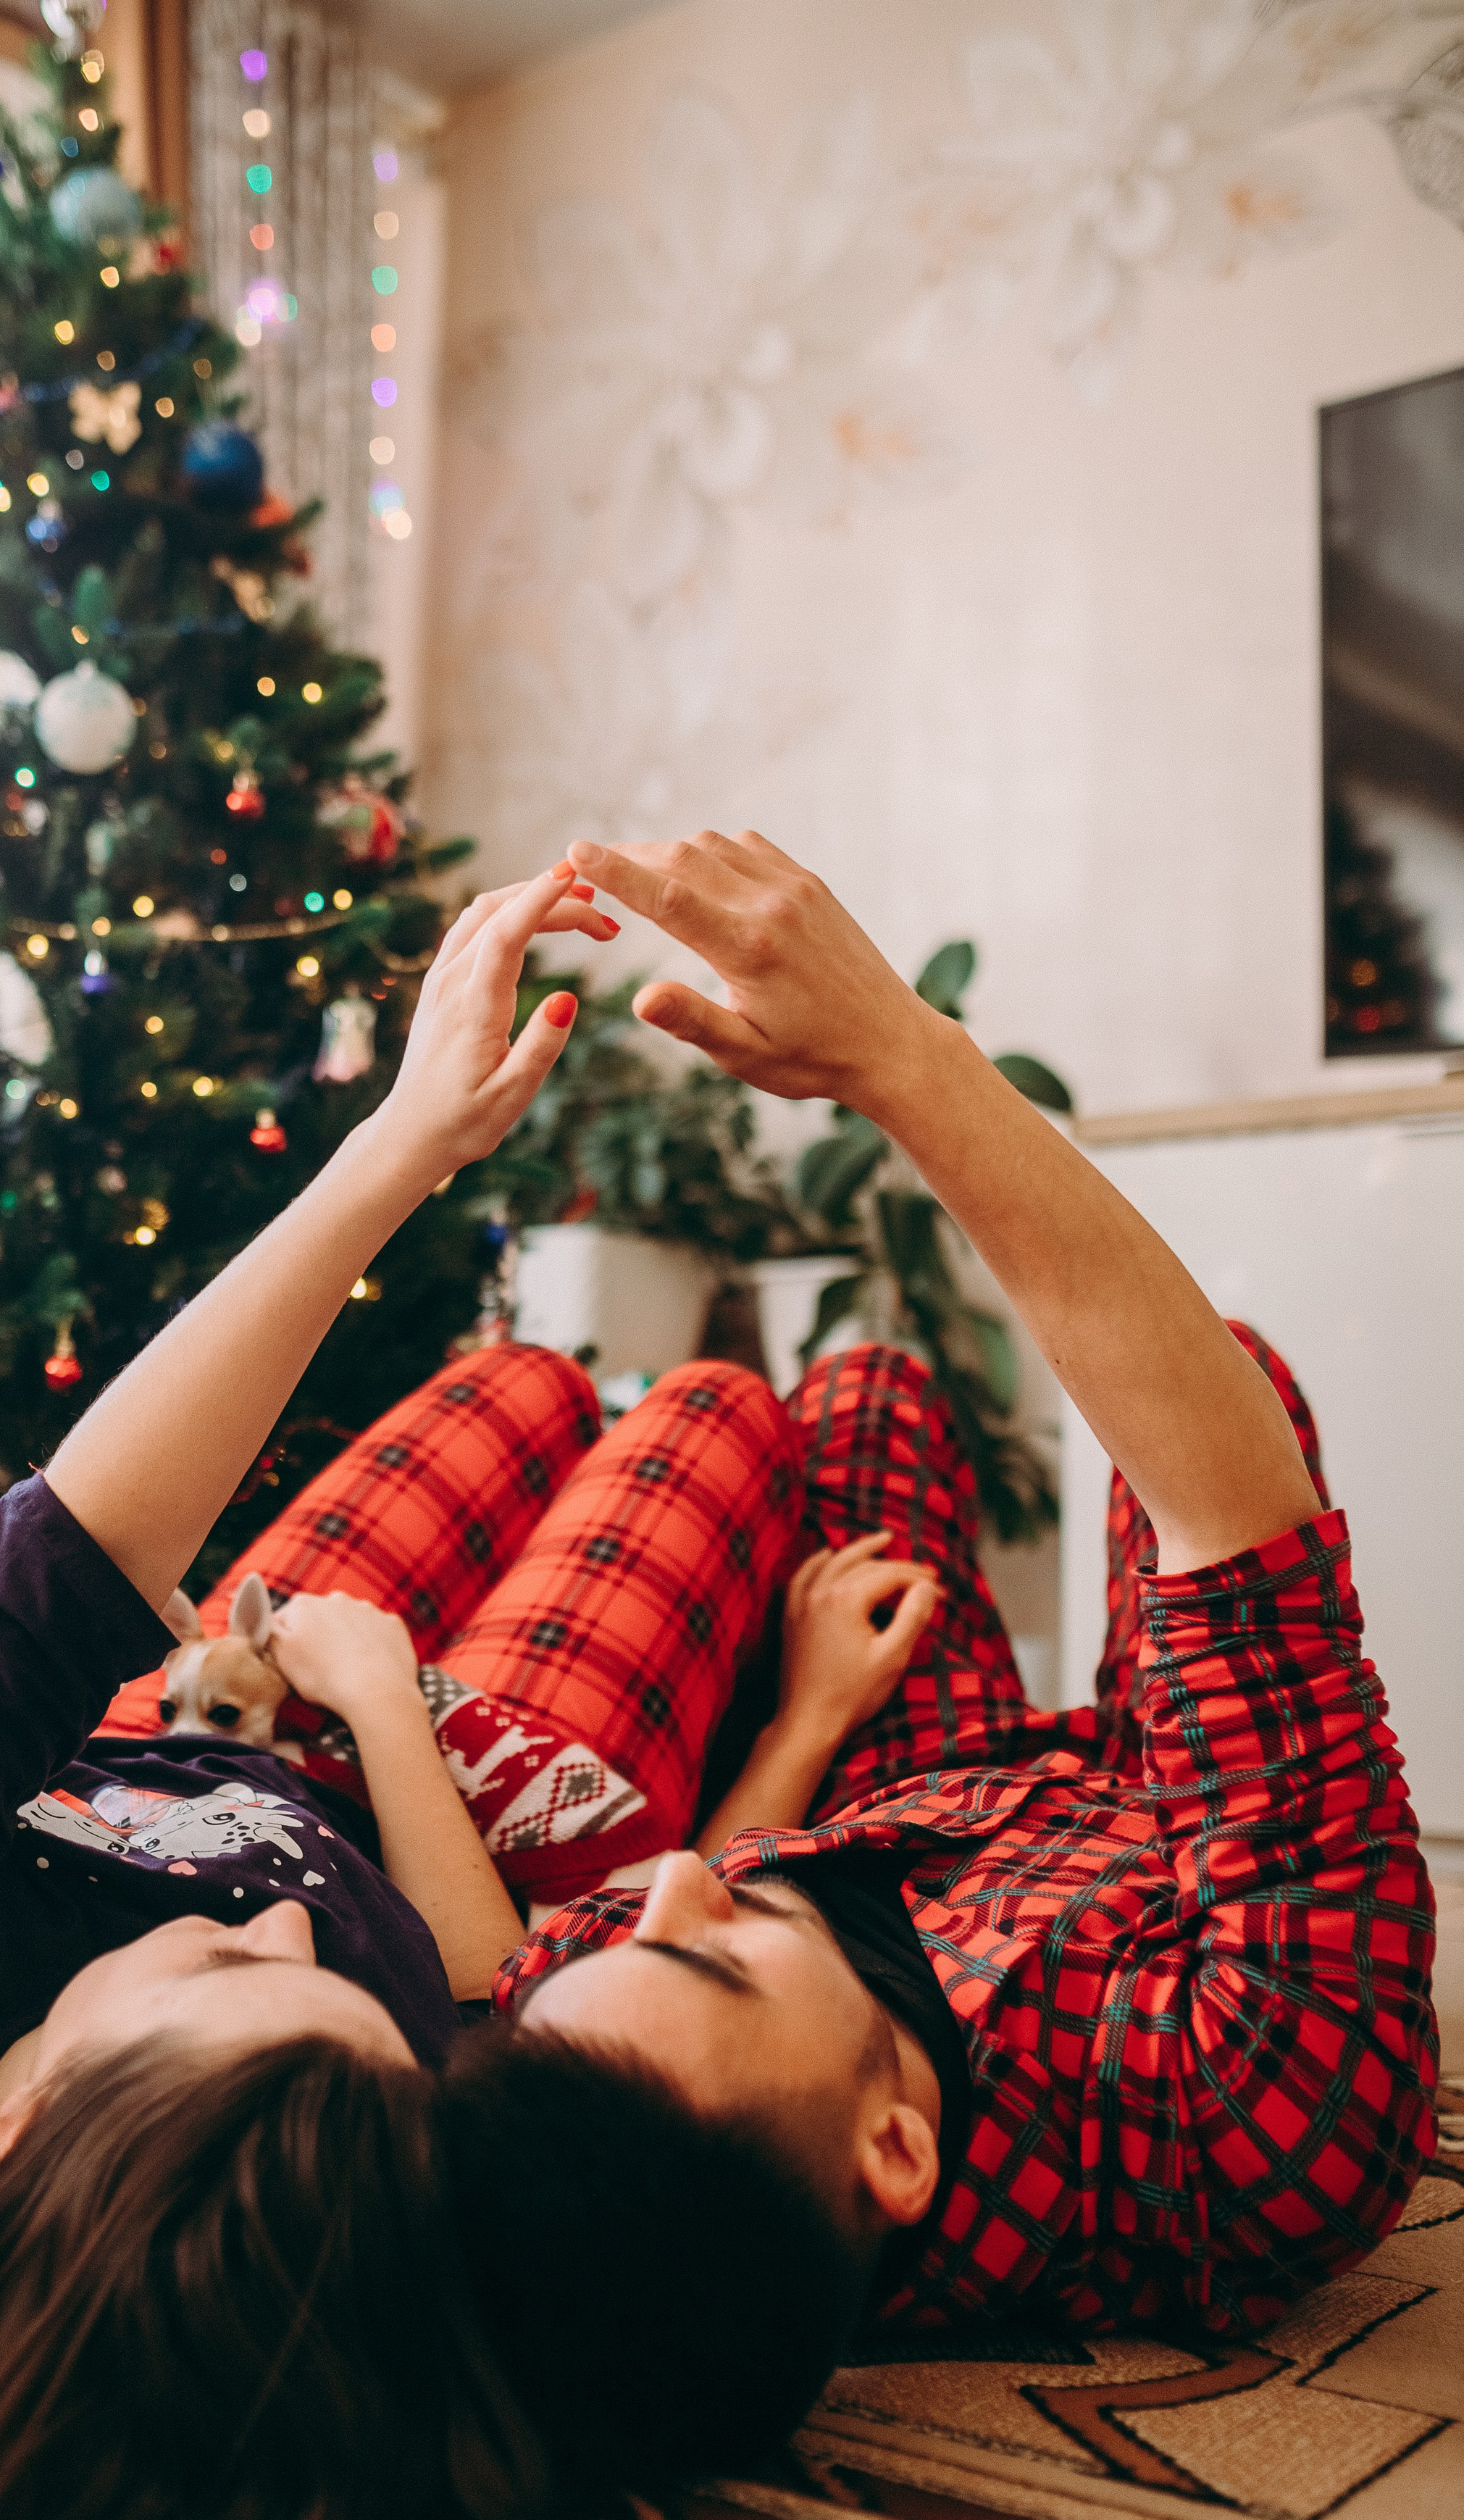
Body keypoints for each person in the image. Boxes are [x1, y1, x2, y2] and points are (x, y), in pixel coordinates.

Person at [0, 869, 857, 2520]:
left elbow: (35, 1595)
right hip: (440, 1761)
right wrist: (394, 1707)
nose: (292, 1924)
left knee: (512, 1386)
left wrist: (403, 1145)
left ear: (24, 2123)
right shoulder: (327, 2198)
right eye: (339, 2012)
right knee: (720, 1412)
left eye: (221, 1979)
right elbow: (471, 1973)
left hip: (204, 1689)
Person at [460, 829, 1438, 2350]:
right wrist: (898, 1056)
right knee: (1223, 1390)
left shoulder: (595, 2069)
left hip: (916, 1789)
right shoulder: (1239, 2110)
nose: (672, 1883)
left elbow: (620, 1926)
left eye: (629, 1930)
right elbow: (1244, 1553)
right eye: (712, 1953)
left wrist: (800, 1723)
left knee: (864, 1393)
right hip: (1156, 1834)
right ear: (895, 2152)